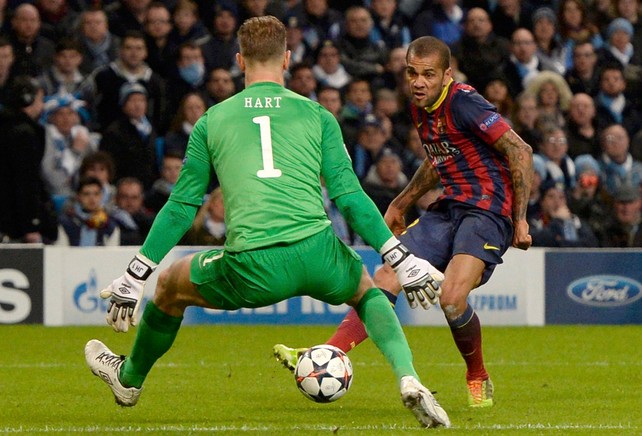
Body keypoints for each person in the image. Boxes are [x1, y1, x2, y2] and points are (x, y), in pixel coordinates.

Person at [84, 16, 450, 429]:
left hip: (253, 266)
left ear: (240, 61)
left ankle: (129, 379)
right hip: (318, 253)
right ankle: (408, 378)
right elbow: (349, 196)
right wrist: (399, 257)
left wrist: (137, 274)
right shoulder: (318, 116)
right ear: (288, 59)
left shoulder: (212, 120)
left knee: (169, 284)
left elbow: (183, 206)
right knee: (367, 293)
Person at [273, 36, 534, 409]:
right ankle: (327, 354)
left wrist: (520, 219)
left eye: (428, 74)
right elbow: (438, 159)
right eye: (412, 72)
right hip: (446, 210)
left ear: (447, 74)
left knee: (452, 298)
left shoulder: (464, 102)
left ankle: (477, 374)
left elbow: (519, 149)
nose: (418, 82)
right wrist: (401, 201)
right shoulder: (422, 108)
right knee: (384, 277)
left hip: (487, 213)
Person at [0, 76, 58, 243]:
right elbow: (25, 181)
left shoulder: (1, 125)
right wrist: (31, 224)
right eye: (40, 99)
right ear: (28, 100)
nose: (42, 105)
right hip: (8, 225)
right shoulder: (23, 132)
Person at [55, 176, 120, 246]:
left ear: (101, 196)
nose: (92, 198)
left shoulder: (110, 225)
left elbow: (112, 254)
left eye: (96, 194)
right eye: (86, 194)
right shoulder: (66, 223)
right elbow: (61, 252)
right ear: (78, 196)